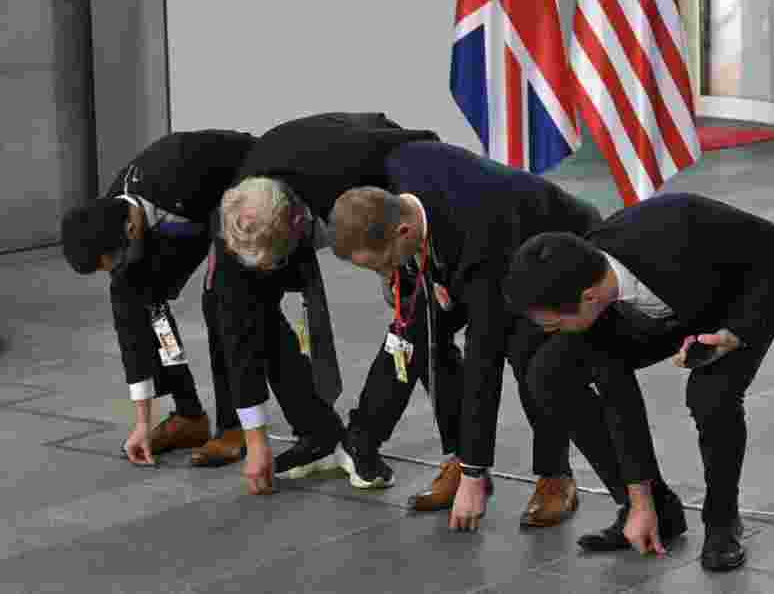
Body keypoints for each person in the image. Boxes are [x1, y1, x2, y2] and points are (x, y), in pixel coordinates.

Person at [503, 192, 774, 571]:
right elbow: (618, 395)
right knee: (549, 372)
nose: (549, 330)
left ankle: (722, 520)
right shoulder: (589, 287)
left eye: (554, 322)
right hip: (659, 314)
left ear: (588, 297)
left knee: (711, 394)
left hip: (741, 299)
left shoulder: (679, 224)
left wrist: (733, 335)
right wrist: (640, 499)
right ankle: (656, 512)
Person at [330, 141, 602, 531]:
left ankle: (554, 475)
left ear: (404, 232)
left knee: (527, 354)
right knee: (421, 336)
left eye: (385, 263)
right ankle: (456, 457)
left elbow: (483, 360)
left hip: (551, 249)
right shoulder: (399, 166)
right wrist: (396, 273)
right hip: (460, 249)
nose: (385, 274)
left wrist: (478, 475)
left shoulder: (481, 243)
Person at [211, 112, 439, 495]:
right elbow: (240, 339)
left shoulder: (357, 163)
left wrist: (416, 256)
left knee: (418, 319)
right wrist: (256, 442)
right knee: (250, 314)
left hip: (373, 180)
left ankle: (365, 438)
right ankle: (317, 433)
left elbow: (428, 143)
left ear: (297, 225)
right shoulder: (238, 225)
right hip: (296, 192)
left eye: (275, 263)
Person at [60, 129, 256, 468]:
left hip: (237, 186)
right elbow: (130, 337)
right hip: (184, 223)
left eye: (115, 263)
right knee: (148, 308)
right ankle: (189, 415)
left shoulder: (180, 169)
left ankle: (234, 427)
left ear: (130, 231)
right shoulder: (110, 215)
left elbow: (242, 194)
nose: (114, 272)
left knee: (221, 301)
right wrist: (141, 421)